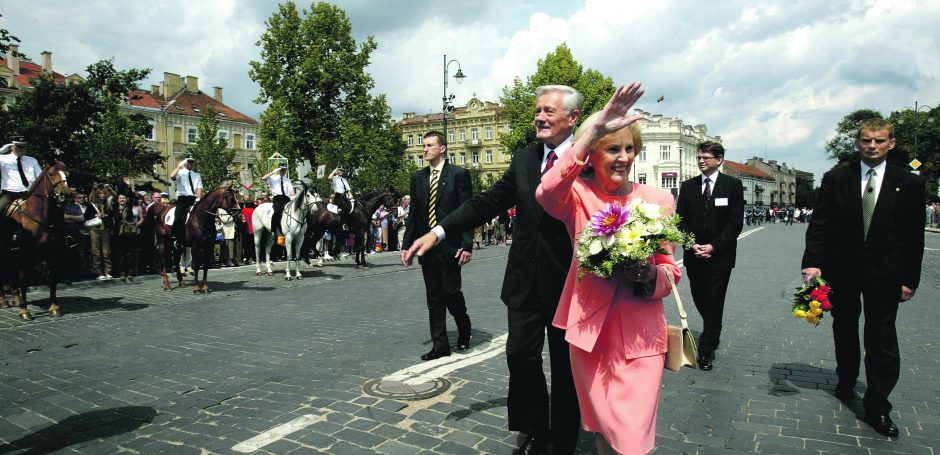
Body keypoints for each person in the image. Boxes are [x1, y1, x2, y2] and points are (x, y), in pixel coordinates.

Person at [403, 85, 584, 455]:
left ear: (573, 118)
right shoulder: (523, 159)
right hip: (524, 282)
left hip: (571, 283)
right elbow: (485, 203)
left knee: (567, 369)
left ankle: (564, 439)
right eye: (538, 111)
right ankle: (535, 428)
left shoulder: (589, 161)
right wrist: (438, 232)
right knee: (520, 355)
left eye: (549, 111)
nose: (540, 117)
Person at [537, 82, 679, 455]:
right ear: (593, 154)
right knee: (602, 431)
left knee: (632, 439)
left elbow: (670, 268)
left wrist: (649, 277)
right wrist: (592, 131)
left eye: (630, 149)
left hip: (642, 336)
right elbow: (546, 192)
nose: (623, 157)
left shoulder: (659, 200)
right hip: (590, 336)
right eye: (612, 148)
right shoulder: (578, 196)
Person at [801, 118, 926, 437]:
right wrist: (812, 263)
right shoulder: (836, 178)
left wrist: (910, 278)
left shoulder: (907, 182)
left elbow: (914, 235)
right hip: (841, 270)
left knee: (881, 338)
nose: (872, 146)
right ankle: (846, 377)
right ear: (858, 142)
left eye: (879, 141)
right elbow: (820, 223)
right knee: (843, 326)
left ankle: (877, 405)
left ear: (891, 143)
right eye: (866, 140)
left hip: (887, 273)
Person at [402, 131, 474, 360]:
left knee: (450, 292)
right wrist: (407, 245)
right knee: (434, 296)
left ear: (442, 148)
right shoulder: (418, 178)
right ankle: (440, 345)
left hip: (451, 245)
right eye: (423, 146)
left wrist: (467, 244)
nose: (424, 149)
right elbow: (414, 214)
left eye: (429, 145)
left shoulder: (459, 175)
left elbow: (467, 212)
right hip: (427, 247)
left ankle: (464, 327)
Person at [675, 141, 744, 371]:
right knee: (699, 296)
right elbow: (680, 221)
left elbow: (735, 223)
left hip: (720, 257)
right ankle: (713, 328)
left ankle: (706, 350)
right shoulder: (688, 186)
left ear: (719, 159)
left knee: (715, 300)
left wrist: (714, 246)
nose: (701, 161)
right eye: (699, 158)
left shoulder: (732, 185)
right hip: (693, 255)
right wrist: (691, 244)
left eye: (706, 157)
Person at [0, 137, 42, 248]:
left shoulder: (32, 160)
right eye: (19, 146)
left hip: (31, 195)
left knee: (53, 210)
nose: (22, 149)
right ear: (12, 147)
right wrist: (1, 151)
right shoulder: (2, 159)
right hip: (10, 194)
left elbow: (41, 177)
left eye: (23, 146)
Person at [169, 154, 203, 244]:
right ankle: (174, 235)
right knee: (178, 218)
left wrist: (198, 198)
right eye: (189, 162)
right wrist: (179, 166)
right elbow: (172, 176)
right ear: (185, 162)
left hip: (193, 199)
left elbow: (199, 187)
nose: (191, 164)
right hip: (183, 198)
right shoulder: (180, 172)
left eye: (192, 162)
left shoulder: (196, 175)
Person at [263, 166, 294, 235]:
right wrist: (274, 172)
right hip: (277, 198)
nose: (284, 172)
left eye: (285, 171)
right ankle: (273, 229)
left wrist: (294, 197)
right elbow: (263, 178)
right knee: (277, 212)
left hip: (286, 198)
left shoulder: (287, 180)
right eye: (282, 170)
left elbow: (291, 191)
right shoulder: (273, 178)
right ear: (279, 170)